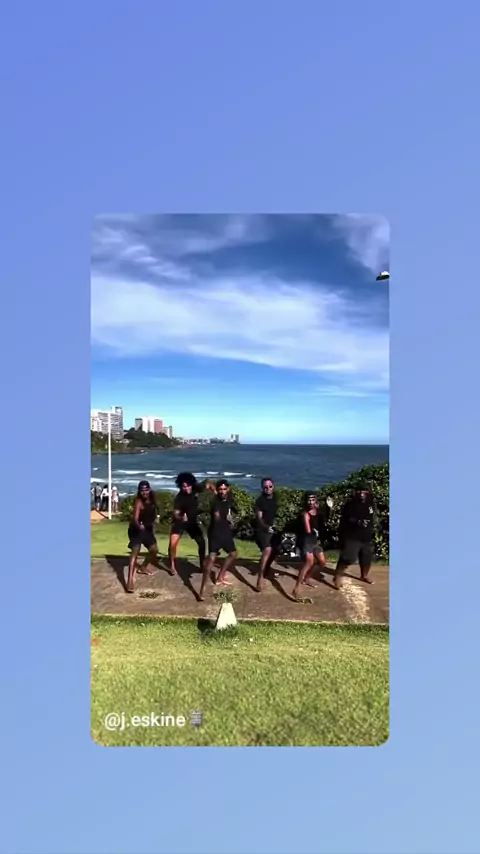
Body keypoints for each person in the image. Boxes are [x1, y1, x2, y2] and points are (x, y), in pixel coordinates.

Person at [168, 472, 216, 576]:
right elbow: (175, 513)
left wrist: (215, 492)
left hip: (192, 523)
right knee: (173, 544)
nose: (187, 488)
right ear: (180, 486)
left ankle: (202, 565)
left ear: (192, 484)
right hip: (180, 522)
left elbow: (208, 483)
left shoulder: (196, 488)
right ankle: (172, 566)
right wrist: (181, 517)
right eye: (184, 487)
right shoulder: (179, 498)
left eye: (188, 485)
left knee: (202, 542)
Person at [333, 483, 376, 589]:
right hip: (352, 536)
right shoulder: (350, 504)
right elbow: (345, 519)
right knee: (349, 557)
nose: (361, 493)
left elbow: (372, 517)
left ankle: (364, 576)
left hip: (366, 536)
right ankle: (337, 575)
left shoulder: (371, 503)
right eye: (359, 491)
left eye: (364, 491)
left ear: (368, 492)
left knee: (366, 557)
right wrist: (358, 521)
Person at [199, 480, 237, 600]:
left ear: (228, 489)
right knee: (211, 559)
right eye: (220, 489)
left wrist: (230, 519)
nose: (222, 491)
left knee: (233, 554)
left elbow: (210, 484)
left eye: (224, 489)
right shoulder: (215, 502)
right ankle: (202, 590)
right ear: (218, 490)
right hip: (215, 533)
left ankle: (220, 577)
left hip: (226, 532)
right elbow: (216, 516)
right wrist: (218, 516)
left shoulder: (229, 497)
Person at [293, 492, 328, 599]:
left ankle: (307, 578)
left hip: (314, 541)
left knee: (322, 562)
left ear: (316, 501)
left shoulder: (318, 512)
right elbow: (308, 530)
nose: (310, 502)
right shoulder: (305, 514)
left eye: (312, 500)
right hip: (306, 541)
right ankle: (297, 587)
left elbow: (322, 523)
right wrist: (314, 531)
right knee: (309, 562)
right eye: (308, 500)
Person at [126, 480, 158, 593]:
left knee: (154, 550)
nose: (144, 492)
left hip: (147, 529)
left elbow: (153, 512)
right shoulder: (138, 502)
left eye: (146, 490)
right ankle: (130, 581)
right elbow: (135, 518)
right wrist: (139, 526)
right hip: (136, 529)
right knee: (135, 552)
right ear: (139, 491)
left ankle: (143, 567)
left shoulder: (152, 499)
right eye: (142, 490)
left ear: (149, 489)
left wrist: (155, 521)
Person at [254, 477, 281, 592]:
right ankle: (260, 578)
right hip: (261, 530)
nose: (268, 489)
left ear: (273, 486)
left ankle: (266, 570)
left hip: (273, 529)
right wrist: (266, 527)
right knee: (267, 549)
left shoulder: (276, 498)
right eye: (265, 487)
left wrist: (276, 525)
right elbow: (259, 518)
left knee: (275, 551)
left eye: (270, 486)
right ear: (262, 488)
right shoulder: (260, 501)